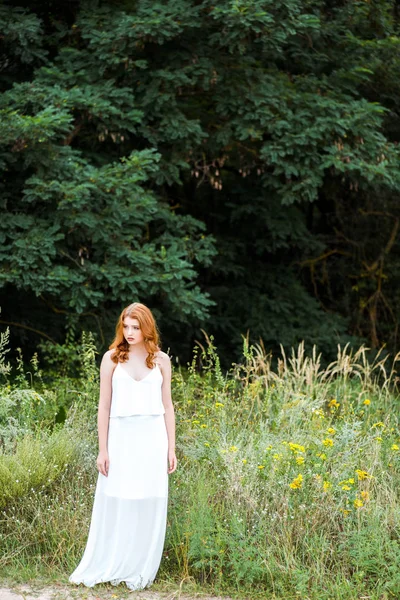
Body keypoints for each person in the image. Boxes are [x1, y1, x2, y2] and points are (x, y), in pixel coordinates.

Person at [69, 302, 177, 590]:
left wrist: (171, 448)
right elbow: (103, 406)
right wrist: (102, 449)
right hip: (121, 436)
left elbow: (168, 406)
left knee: (148, 499)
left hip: (152, 437)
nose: (129, 332)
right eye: (126, 326)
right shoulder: (111, 358)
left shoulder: (162, 360)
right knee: (118, 496)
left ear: (146, 327)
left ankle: (140, 567)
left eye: (136, 327)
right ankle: (113, 560)